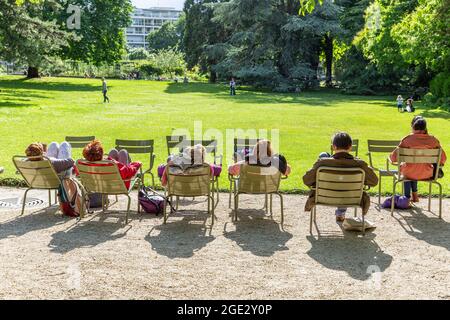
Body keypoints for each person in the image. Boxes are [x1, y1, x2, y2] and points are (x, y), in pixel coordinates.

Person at [303, 132, 378, 222]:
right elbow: (374, 181)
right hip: (350, 197)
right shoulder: (360, 165)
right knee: (344, 186)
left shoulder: (322, 163)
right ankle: (341, 212)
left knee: (323, 155)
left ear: (334, 147)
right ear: (350, 147)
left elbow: (306, 180)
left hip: (324, 196)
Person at [390, 117, 446, 203]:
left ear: (413, 127)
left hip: (408, 173)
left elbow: (393, 158)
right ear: (425, 128)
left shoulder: (407, 139)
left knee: (408, 169)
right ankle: (414, 196)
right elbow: (443, 159)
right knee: (413, 167)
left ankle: (406, 199)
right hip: (427, 174)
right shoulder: (433, 140)